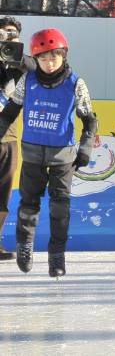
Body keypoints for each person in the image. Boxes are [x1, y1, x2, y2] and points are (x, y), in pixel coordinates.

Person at [0, 28, 98, 278]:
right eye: (43, 58)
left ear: (64, 55)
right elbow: (9, 113)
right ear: (36, 59)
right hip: (32, 153)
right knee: (29, 204)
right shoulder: (28, 81)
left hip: (62, 157)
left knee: (60, 207)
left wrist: (85, 148)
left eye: (54, 57)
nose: (49, 62)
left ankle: (57, 254)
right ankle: (25, 245)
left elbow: (89, 120)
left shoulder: (76, 83)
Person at [0, 16, 34, 261]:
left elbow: (40, 71)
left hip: (7, 137)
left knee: (3, 194)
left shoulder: (20, 63)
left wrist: (17, 52)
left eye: (11, 33)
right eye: (2, 33)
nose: (7, 37)